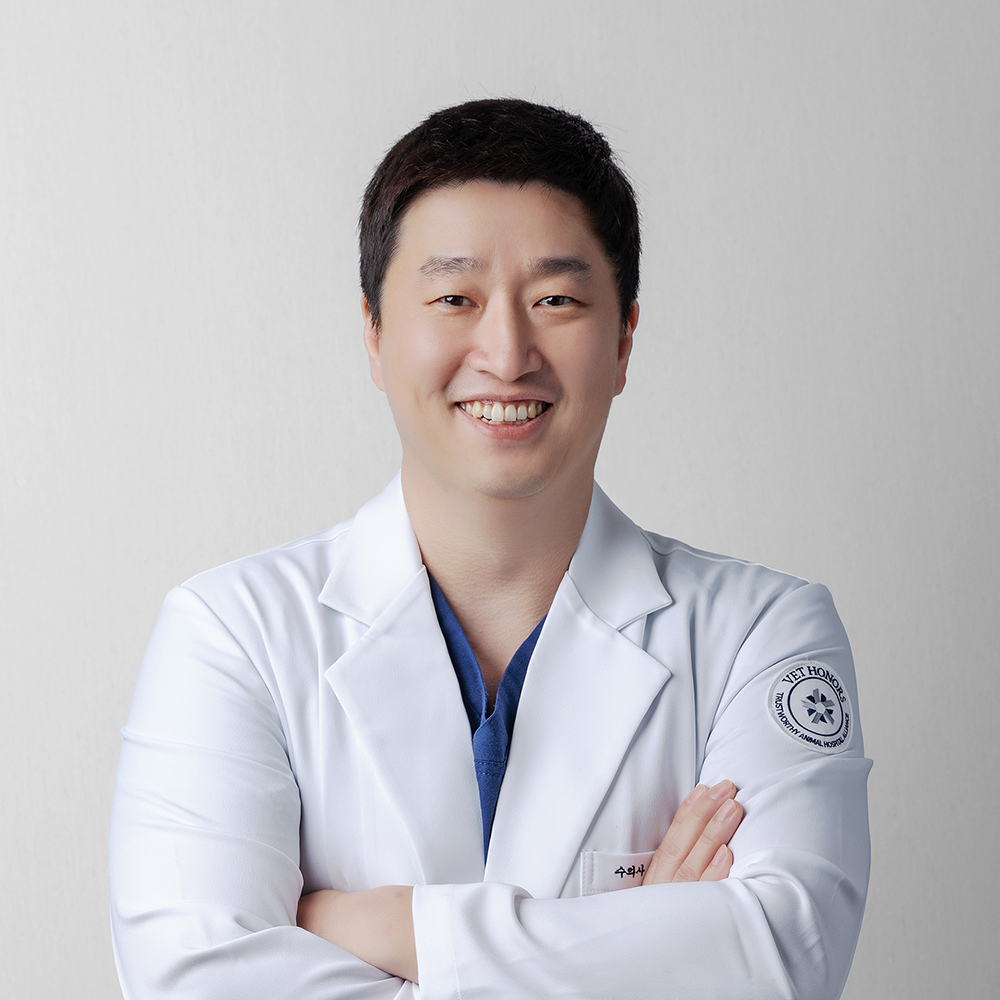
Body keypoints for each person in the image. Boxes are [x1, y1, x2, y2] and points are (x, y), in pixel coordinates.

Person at [109, 98, 872, 999]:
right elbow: (193, 981)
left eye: (556, 300)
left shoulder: (762, 634)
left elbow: (782, 959)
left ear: (624, 340)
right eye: (454, 299)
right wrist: (645, 947)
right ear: (374, 335)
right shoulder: (231, 635)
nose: (507, 354)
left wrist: (392, 926)